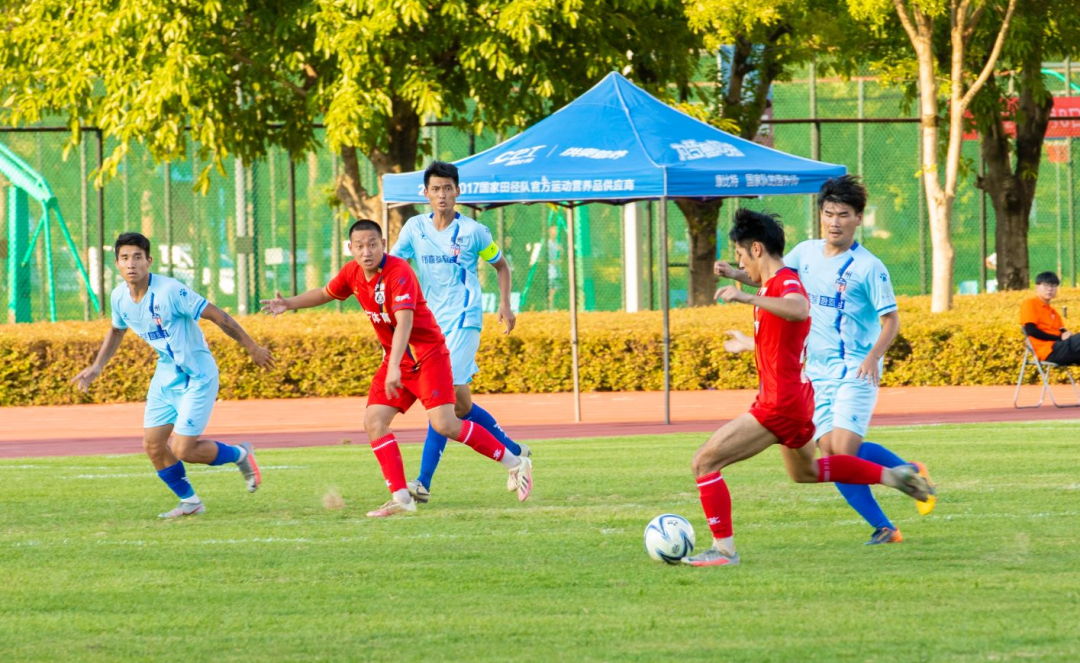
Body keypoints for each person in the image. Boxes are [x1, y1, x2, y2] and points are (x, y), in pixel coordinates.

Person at [684, 210, 933, 567]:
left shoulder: (785, 282)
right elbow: (784, 339)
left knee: (704, 462)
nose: (740, 263)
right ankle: (892, 475)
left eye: (740, 255)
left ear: (756, 249)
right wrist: (745, 312)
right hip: (799, 401)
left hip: (779, 405)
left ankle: (724, 551)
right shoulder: (772, 284)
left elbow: (799, 308)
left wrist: (746, 298)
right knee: (808, 472)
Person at [260, 219, 533, 517]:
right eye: (360, 246)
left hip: (428, 356)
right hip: (398, 359)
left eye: (373, 244)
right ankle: (402, 497)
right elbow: (326, 293)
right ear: (350, 248)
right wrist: (289, 303)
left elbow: (405, 322)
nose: (367, 252)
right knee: (374, 421)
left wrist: (393, 368)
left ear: (383, 245)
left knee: (447, 424)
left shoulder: (399, 271)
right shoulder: (352, 273)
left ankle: (516, 462)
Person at [72, 232, 272, 518]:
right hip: (166, 375)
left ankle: (240, 454)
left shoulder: (170, 291)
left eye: (138, 257)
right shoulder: (119, 297)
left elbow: (217, 315)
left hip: (198, 375)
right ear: (116, 263)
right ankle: (190, 502)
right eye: (125, 258)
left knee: (182, 448)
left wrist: (252, 346)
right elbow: (117, 330)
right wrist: (97, 366)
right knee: (153, 446)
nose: (132, 264)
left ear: (149, 261)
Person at [389, 161, 529, 504]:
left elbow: (501, 265)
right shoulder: (413, 228)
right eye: (435, 189)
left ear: (458, 192)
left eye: (448, 188)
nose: (442, 195)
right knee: (461, 406)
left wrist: (506, 306)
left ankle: (422, 483)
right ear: (425, 193)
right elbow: (394, 266)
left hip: (466, 320)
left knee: (442, 399)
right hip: (430, 327)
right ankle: (516, 452)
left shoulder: (474, 232)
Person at [1021, 271, 1080, 366]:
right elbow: (1030, 330)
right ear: (1037, 287)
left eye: (1053, 286)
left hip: (1062, 348)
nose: (1049, 289)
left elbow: (1062, 332)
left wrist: (1066, 335)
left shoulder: (1053, 312)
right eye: (1046, 285)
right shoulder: (1030, 304)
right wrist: (1059, 337)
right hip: (1049, 350)